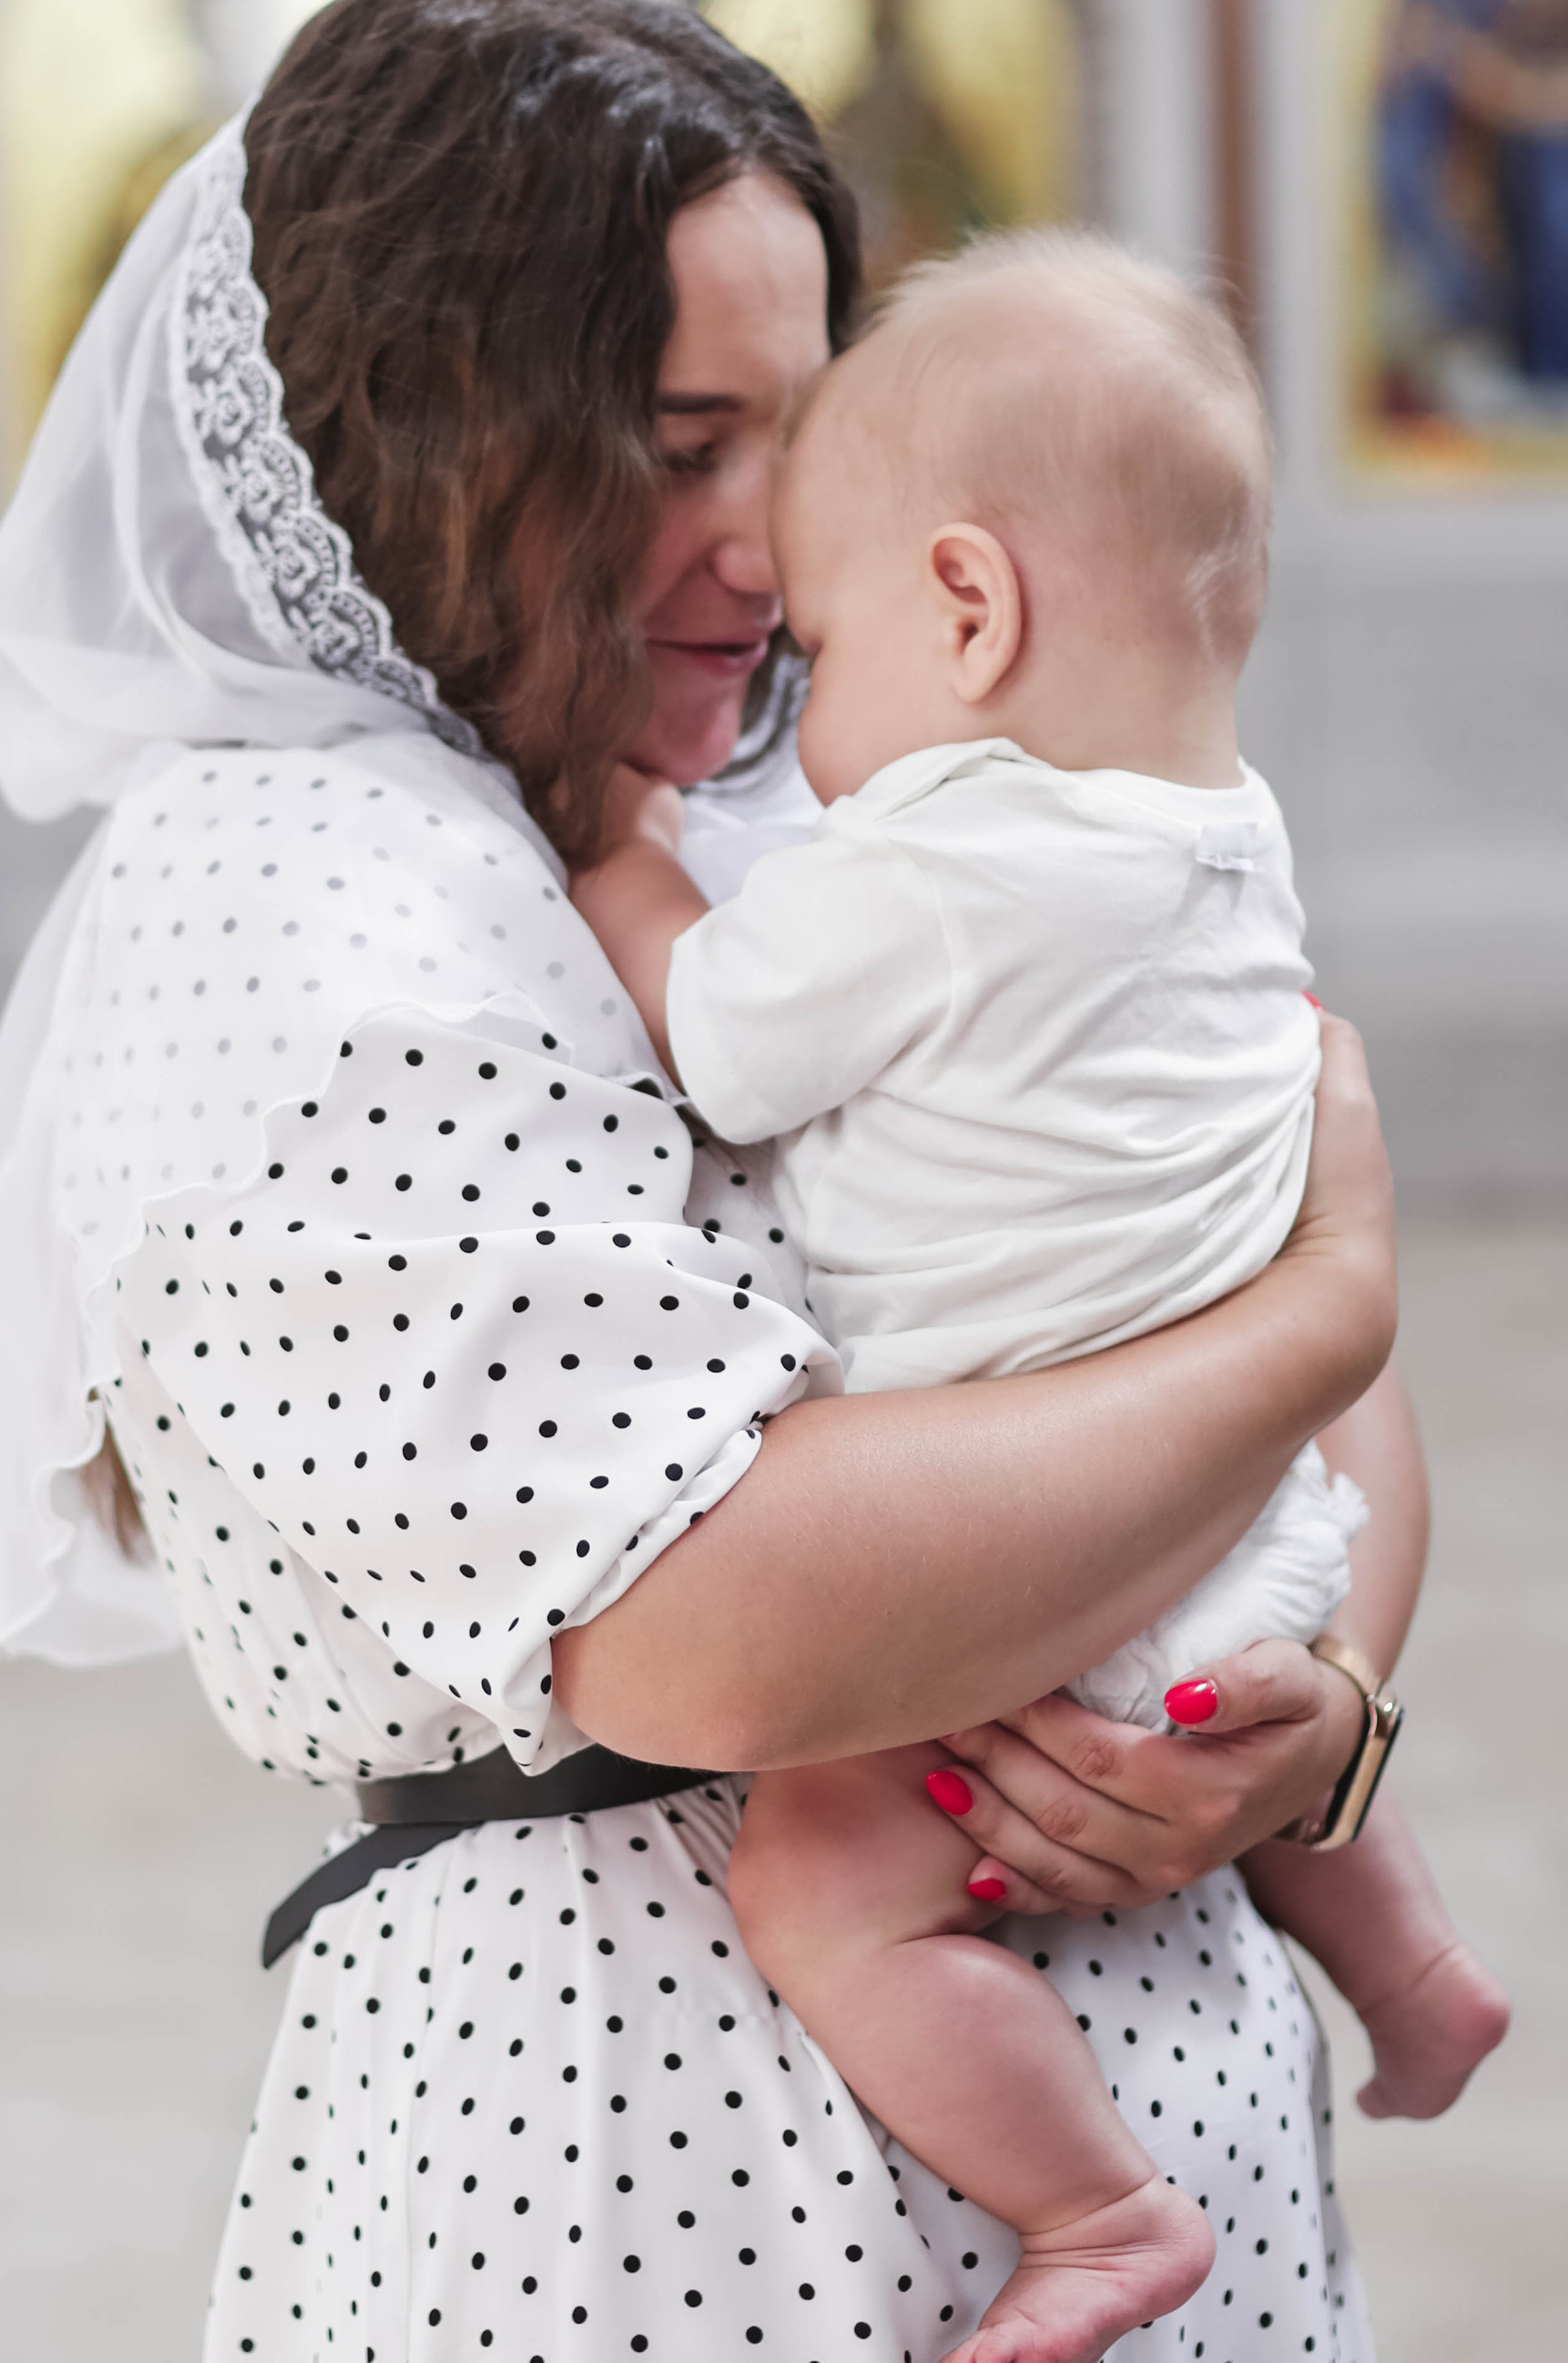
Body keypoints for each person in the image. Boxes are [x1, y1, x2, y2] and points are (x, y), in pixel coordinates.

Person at [0, 0, 1404, 2361]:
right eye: (676, 439)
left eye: (802, 442)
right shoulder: (290, 892)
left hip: (1173, 2128)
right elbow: (715, 1625)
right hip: (644, 2196)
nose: (769, 540)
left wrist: (1316, 1716)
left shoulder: (867, 782)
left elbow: (1296, 1422)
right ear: (430, 428)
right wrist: (1333, 1299)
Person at [573, 230, 1510, 2363]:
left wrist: (625, 857)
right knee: (1253, 1711)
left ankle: (1093, 2217)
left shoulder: (930, 870)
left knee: (817, 1891)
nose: (806, 729)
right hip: (1259, 1539)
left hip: (1024, 1571)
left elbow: (717, 1043)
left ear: (967, 610)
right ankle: (1418, 1970)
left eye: (824, 647)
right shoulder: (1227, 845)